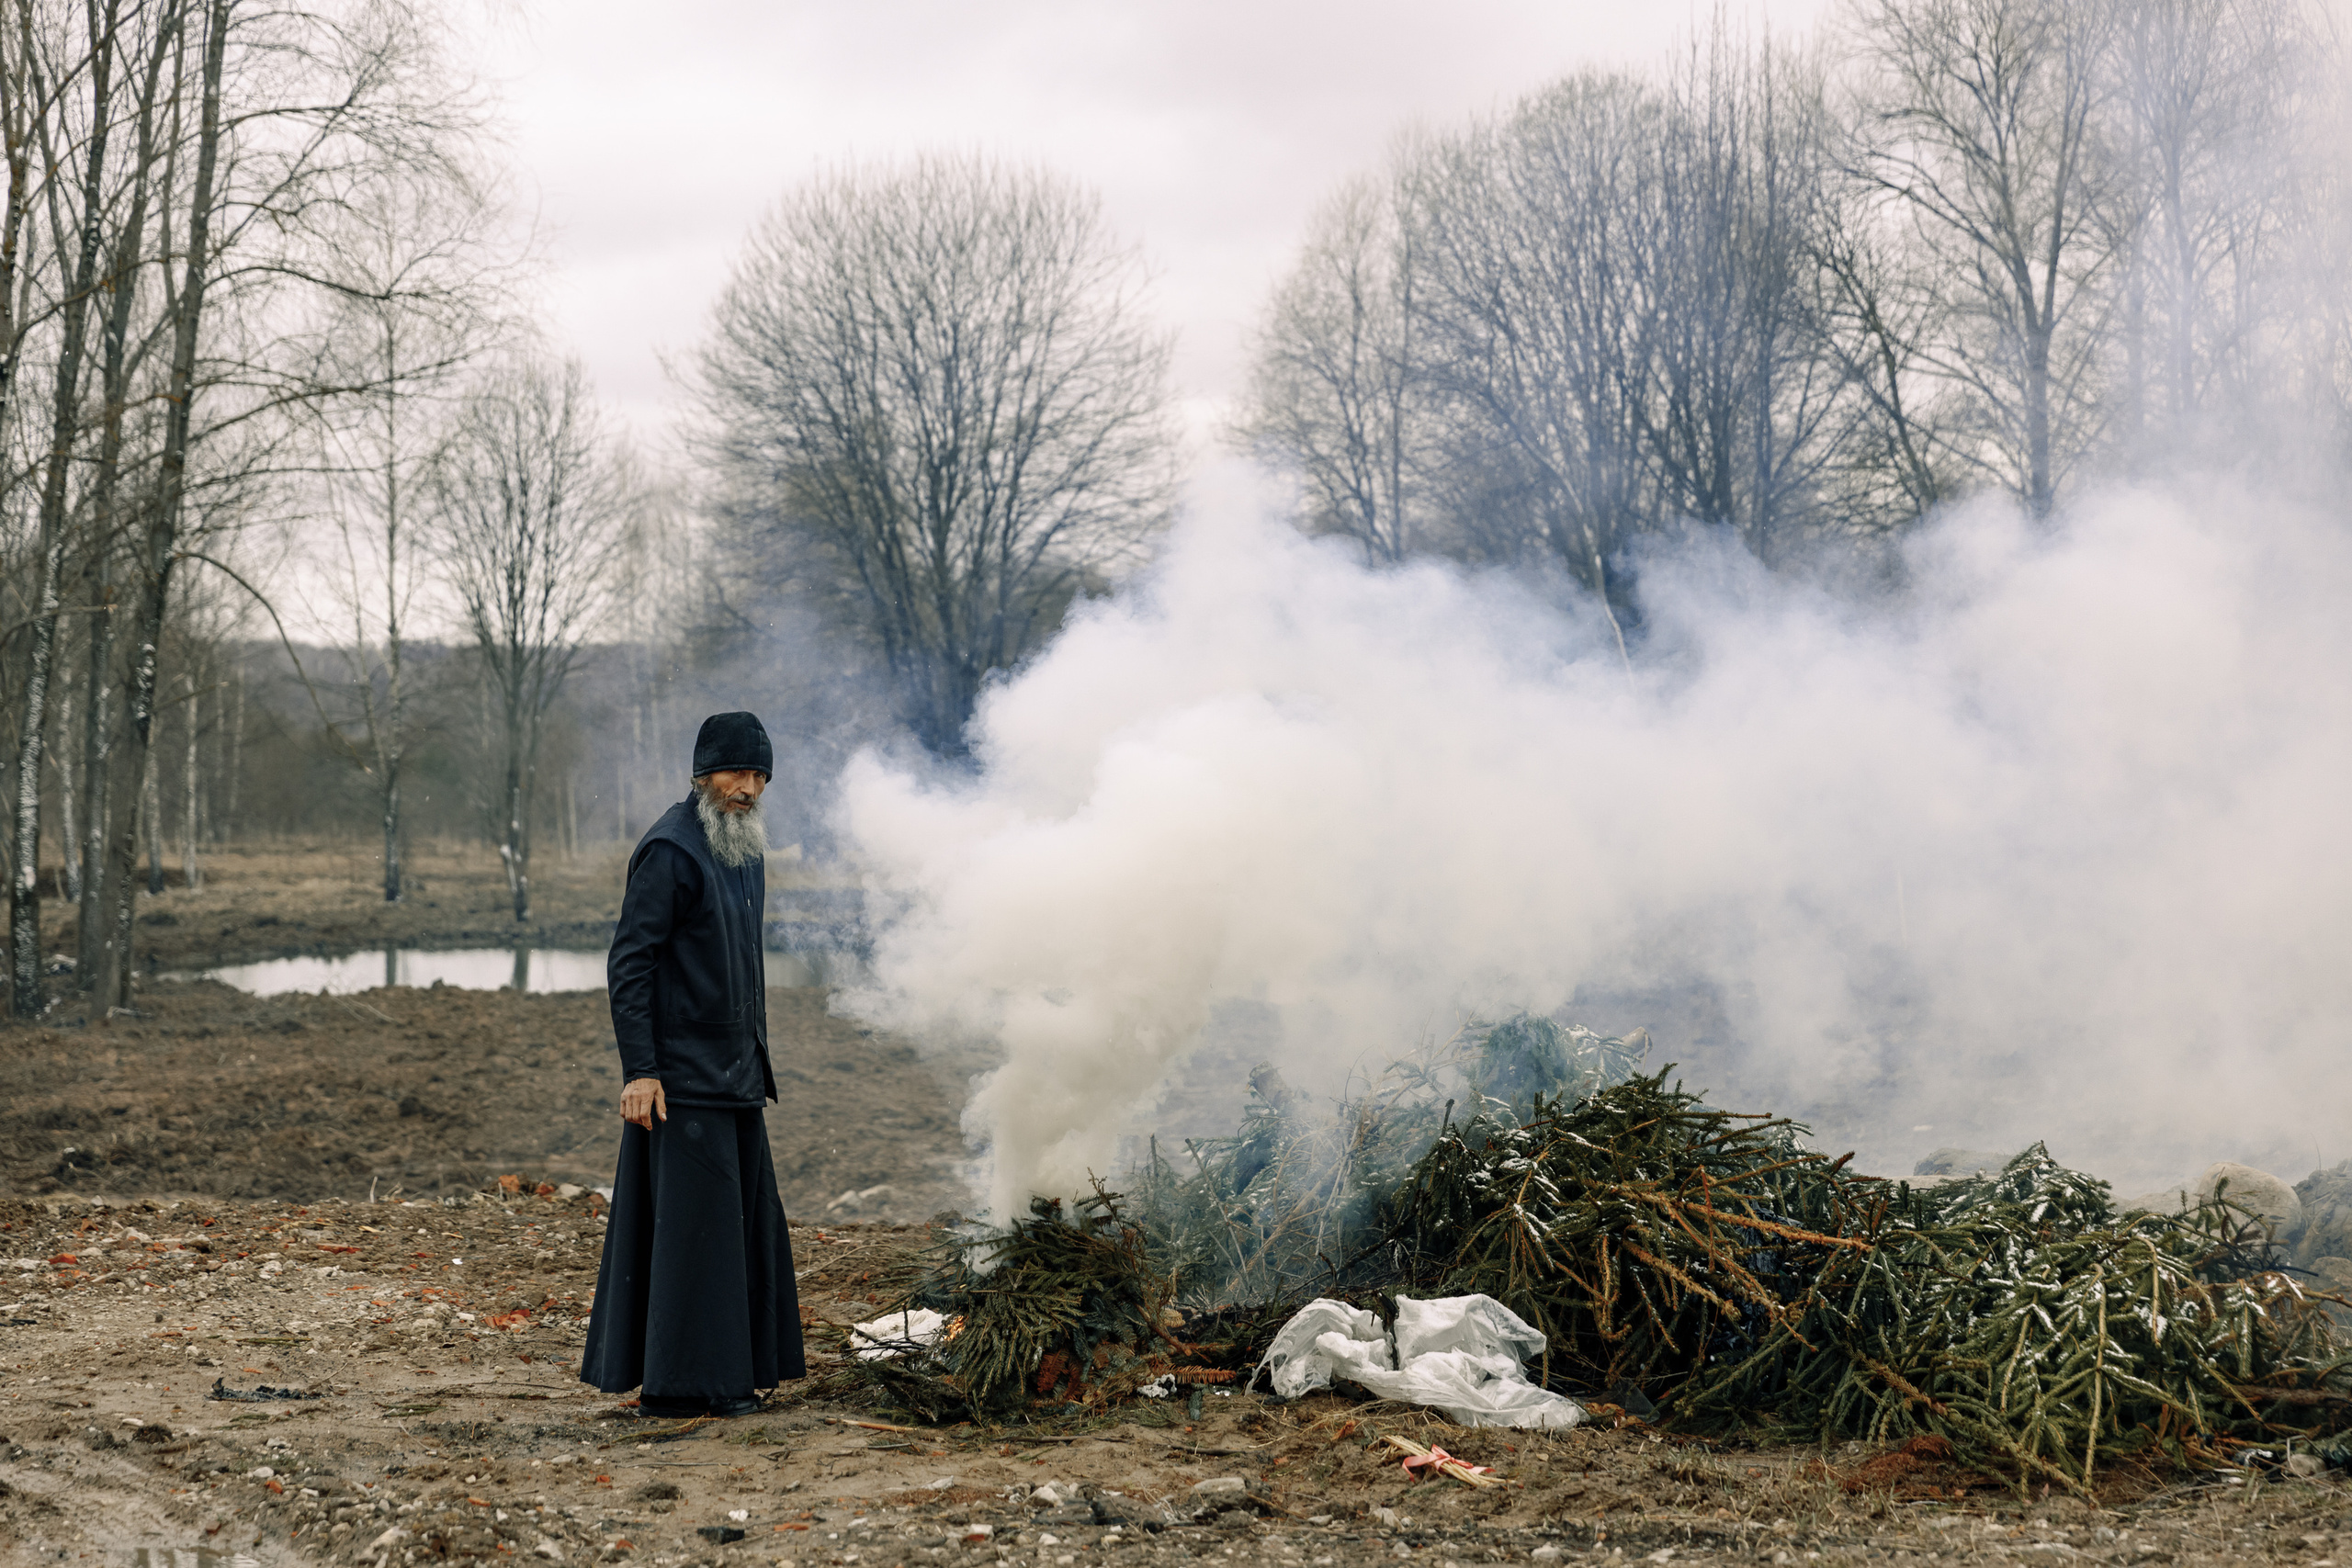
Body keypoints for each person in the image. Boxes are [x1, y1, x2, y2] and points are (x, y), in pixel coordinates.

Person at [580, 711, 805, 1417]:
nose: (748, 788)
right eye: (737, 772)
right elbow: (631, 963)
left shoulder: (744, 852)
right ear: (703, 772)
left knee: (738, 1234)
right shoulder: (671, 851)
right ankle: (684, 1390)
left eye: (759, 774)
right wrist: (640, 1069)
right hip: (681, 1083)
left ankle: (737, 1374)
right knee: (694, 1242)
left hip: (736, 1075)